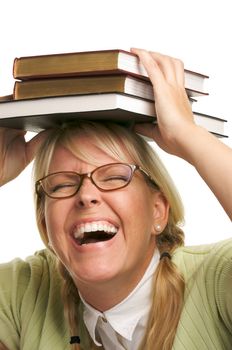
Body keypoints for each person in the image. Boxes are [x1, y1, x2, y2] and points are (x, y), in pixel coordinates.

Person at [0, 48, 232, 350]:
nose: (86, 196)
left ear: (158, 211)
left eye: (113, 177)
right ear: (45, 223)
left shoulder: (216, 280)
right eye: (61, 185)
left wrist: (188, 136)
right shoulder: (23, 290)